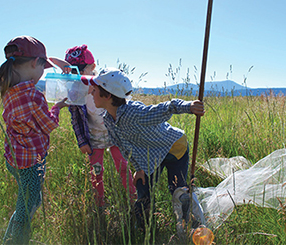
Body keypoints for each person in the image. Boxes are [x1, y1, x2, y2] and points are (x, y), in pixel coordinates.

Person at [80, 67, 206, 236]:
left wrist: (189, 106)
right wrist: (139, 168)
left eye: (94, 90)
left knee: (178, 191)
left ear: (108, 95)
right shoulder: (108, 119)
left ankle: (191, 228)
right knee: (142, 189)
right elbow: (125, 147)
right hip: (151, 155)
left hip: (173, 147)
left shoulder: (134, 113)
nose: (91, 93)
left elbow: (164, 109)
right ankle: (145, 230)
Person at [0, 35, 68, 245]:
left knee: (25, 202)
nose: (41, 75)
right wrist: (57, 108)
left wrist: (51, 60)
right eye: (43, 69)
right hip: (30, 163)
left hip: (14, 160)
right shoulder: (33, 95)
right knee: (28, 207)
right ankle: (16, 241)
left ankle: (10, 238)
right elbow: (49, 125)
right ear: (36, 63)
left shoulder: (8, 88)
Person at [64, 45, 136, 207]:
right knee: (96, 172)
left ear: (93, 67)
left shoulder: (105, 83)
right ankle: (99, 204)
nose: (79, 74)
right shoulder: (74, 92)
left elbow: (122, 106)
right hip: (94, 139)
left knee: (123, 167)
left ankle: (134, 199)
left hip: (114, 135)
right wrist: (82, 141)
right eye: (74, 71)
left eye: (83, 69)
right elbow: (75, 118)